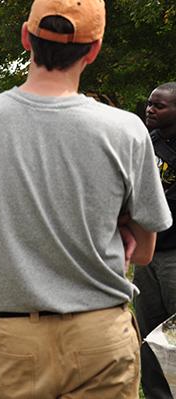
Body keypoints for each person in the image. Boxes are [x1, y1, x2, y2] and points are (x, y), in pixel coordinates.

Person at [0, 0, 172, 397]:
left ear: (24, 37)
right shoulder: (125, 129)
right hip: (101, 332)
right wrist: (115, 227)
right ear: (95, 48)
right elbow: (144, 251)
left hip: (15, 333)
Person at [134, 82, 176, 398]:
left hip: (174, 257)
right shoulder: (147, 142)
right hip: (148, 255)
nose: (150, 110)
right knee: (149, 333)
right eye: (150, 104)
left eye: (158, 106)